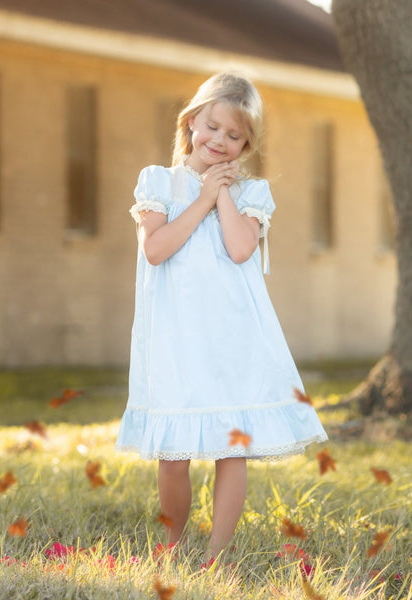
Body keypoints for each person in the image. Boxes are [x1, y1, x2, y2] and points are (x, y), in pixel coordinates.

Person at [116, 72, 327, 565]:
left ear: (247, 144)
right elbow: (157, 250)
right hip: (175, 336)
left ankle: (218, 555)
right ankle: (172, 547)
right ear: (191, 122)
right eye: (212, 127)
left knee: (232, 448)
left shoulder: (253, 194)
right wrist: (203, 198)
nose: (220, 142)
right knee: (174, 453)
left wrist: (224, 193)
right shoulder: (159, 181)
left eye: (235, 137)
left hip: (233, 337)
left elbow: (238, 249)